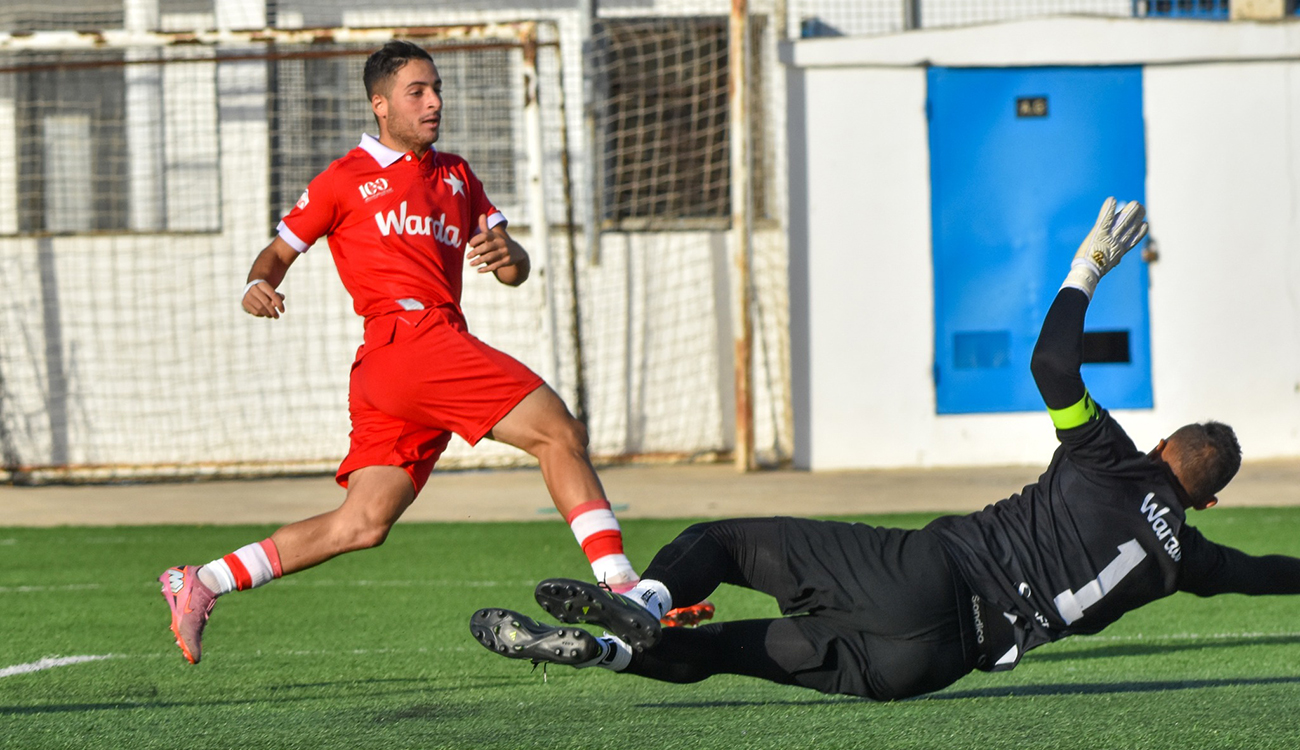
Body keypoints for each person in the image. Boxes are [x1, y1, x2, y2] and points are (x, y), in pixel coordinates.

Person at [469, 197, 1300, 700]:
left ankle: (640, 607)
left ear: (1162, 445)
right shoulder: (1189, 559)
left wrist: (1087, 268)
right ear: (1210, 501)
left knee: (722, 545)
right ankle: (608, 653)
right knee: (722, 655)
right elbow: (1272, 575)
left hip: (928, 576)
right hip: (937, 663)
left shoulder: (1115, 456)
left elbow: (1051, 363)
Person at [159, 40, 710, 665]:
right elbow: (278, 253)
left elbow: (512, 266)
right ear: (381, 105)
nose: (434, 102)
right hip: (409, 343)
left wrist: (513, 257)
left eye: (437, 89)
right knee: (558, 433)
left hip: (402, 365)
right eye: (418, 92)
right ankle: (625, 588)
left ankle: (202, 580)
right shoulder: (343, 179)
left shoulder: (457, 174)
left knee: (362, 523)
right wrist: (258, 284)